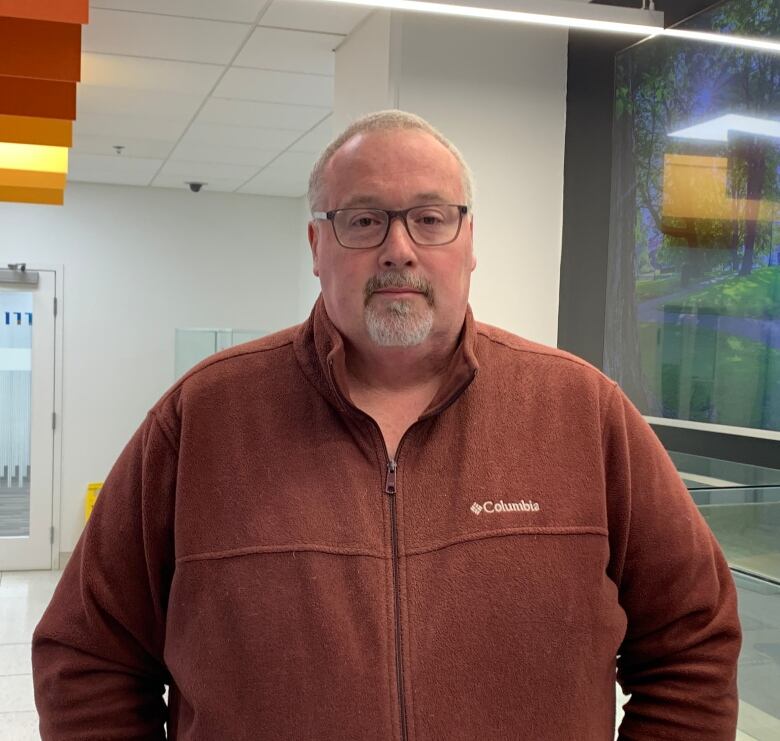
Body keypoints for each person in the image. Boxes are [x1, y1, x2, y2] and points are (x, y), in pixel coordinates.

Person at [32, 110, 741, 740]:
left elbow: (695, 636)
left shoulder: (582, 410)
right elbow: (87, 655)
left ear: (469, 241)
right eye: (364, 219)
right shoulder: (202, 418)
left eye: (430, 218)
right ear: (316, 244)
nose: (399, 247)